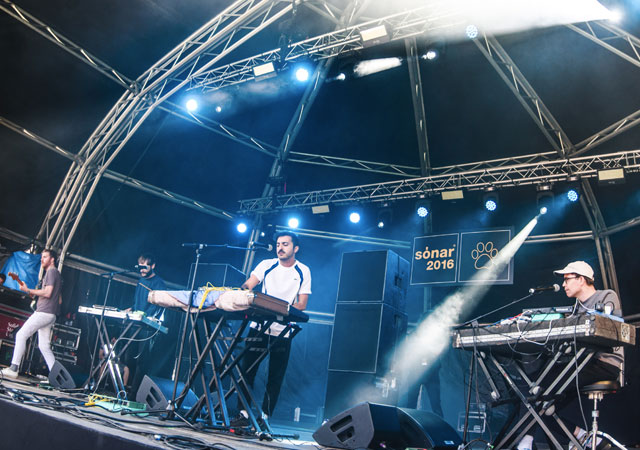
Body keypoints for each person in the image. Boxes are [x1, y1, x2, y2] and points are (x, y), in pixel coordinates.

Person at [517, 261, 623, 450]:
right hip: (580, 363)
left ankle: (526, 441)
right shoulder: (574, 309)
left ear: (581, 279)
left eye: (567, 279)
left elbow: (607, 329)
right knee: (538, 395)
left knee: (540, 391)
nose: (563, 284)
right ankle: (579, 434)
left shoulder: (606, 296)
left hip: (604, 365)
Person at [232, 231, 311, 427]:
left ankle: (265, 417)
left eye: (285, 244)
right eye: (278, 244)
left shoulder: (303, 270)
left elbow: (302, 304)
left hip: (283, 330)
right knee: (247, 371)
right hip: (259, 326)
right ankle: (242, 414)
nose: (280, 248)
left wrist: (280, 309)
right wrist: (243, 293)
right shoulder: (266, 264)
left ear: (295, 248)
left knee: (275, 376)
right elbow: (249, 284)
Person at [1, 249, 61, 379]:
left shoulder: (51, 272)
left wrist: (29, 290)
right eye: (41, 257)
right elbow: (58, 299)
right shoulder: (55, 274)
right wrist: (31, 292)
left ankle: (14, 368)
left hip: (44, 312)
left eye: (45, 257)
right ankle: (56, 376)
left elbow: (48, 293)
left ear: (52, 259)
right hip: (50, 314)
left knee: (21, 335)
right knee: (44, 346)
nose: (42, 259)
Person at [125, 253, 167, 394]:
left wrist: (146, 316)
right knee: (128, 357)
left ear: (152, 266)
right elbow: (138, 302)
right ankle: (126, 389)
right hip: (135, 323)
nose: (142, 270)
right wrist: (132, 309)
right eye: (140, 267)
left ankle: (135, 394)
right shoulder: (140, 281)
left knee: (142, 361)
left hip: (147, 327)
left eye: (145, 267)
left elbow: (159, 305)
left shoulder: (159, 283)